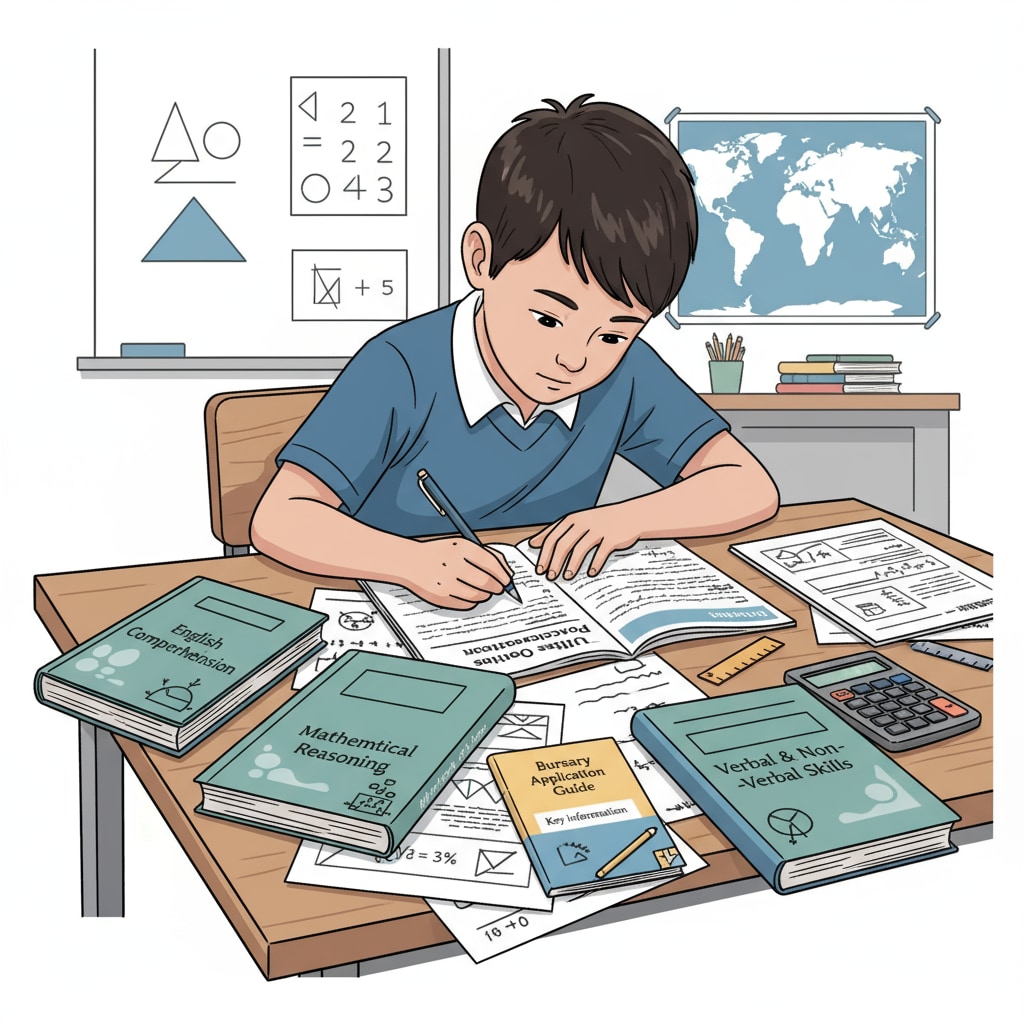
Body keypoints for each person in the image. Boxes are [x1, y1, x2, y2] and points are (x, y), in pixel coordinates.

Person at [251, 94, 779, 609]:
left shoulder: (626, 372)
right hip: (392, 622)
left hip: (539, 625)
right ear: (482, 260)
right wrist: (410, 563)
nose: (576, 360)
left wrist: (623, 519)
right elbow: (280, 517)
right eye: (549, 318)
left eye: (615, 334)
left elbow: (747, 485)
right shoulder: (400, 367)